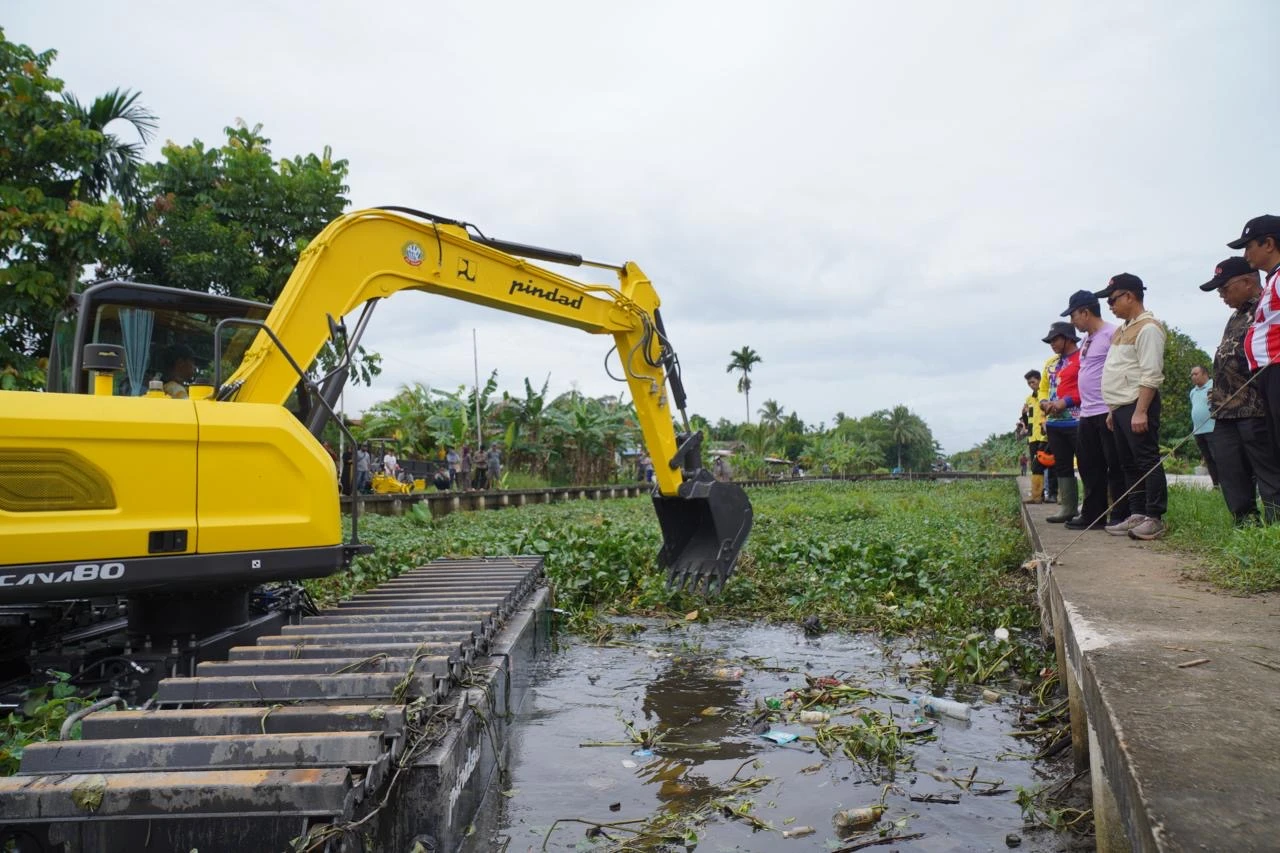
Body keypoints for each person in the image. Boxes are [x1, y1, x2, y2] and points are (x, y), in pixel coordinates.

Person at [1200, 257, 1280, 524]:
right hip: (1225, 411)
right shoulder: (1235, 316)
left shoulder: (1267, 309)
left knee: (1268, 470)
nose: (1221, 295)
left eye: (1224, 288)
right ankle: (1245, 522)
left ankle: (1275, 524)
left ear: (1247, 282)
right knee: (1230, 470)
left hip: (1255, 408)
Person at [1096, 274, 1168, 540]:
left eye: (1112, 299)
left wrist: (1141, 410)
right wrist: (1114, 410)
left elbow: (1151, 374)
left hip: (1138, 404)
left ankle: (1155, 516)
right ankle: (1136, 513)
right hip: (1121, 406)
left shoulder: (1148, 328)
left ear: (1130, 296)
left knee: (1147, 460)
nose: (1110, 306)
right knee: (1128, 464)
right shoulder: (1123, 329)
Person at [1061, 289, 1125, 531]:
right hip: (1087, 413)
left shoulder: (1112, 333)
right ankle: (1093, 514)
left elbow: (1120, 370)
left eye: (1074, 315)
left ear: (1085, 312)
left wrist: (1113, 407)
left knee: (1114, 464)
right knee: (1089, 466)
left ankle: (1120, 513)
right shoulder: (1088, 338)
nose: (1072, 321)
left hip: (1106, 409)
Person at [1229, 214, 1280, 453]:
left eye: (1249, 246)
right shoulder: (1273, 280)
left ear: (1268, 244)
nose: (1245, 255)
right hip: (1268, 372)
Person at [1038, 322, 1082, 523]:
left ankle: (1092, 507)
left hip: (1078, 420)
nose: (1052, 344)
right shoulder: (1050, 364)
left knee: (1087, 464)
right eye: (1050, 341)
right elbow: (1043, 389)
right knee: (1062, 465)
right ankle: (1068, 507)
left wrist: (1066, 402)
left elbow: (1088, 387)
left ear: (1068, 338)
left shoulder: (1083, 358)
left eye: (1055, 339)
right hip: (1055, 423)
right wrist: (1044, 402)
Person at [1019, 369, 1049, 503]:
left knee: (1047, 464)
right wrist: (1024, 413)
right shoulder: (1029, 399)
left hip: (1045, 436)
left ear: (1039, 380)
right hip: (1032, 437)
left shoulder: (1046, 396)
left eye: (1033, 382)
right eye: (1029, 383)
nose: (1031, 385)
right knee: (1035, 467)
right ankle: (1037, 496)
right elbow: (1027, 422)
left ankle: (1051, 495)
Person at [1188, 365, 1218, 485]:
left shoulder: (1214, 386)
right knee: (1208, 459)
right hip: (1198, 431)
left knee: (1218, 458)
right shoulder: (1193, 392)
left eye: (1196, 374)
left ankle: (1226, 484)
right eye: (1191, 375)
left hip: (1213, 429)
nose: (1193, 377)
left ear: (1205, 374)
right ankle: (1216, 484)